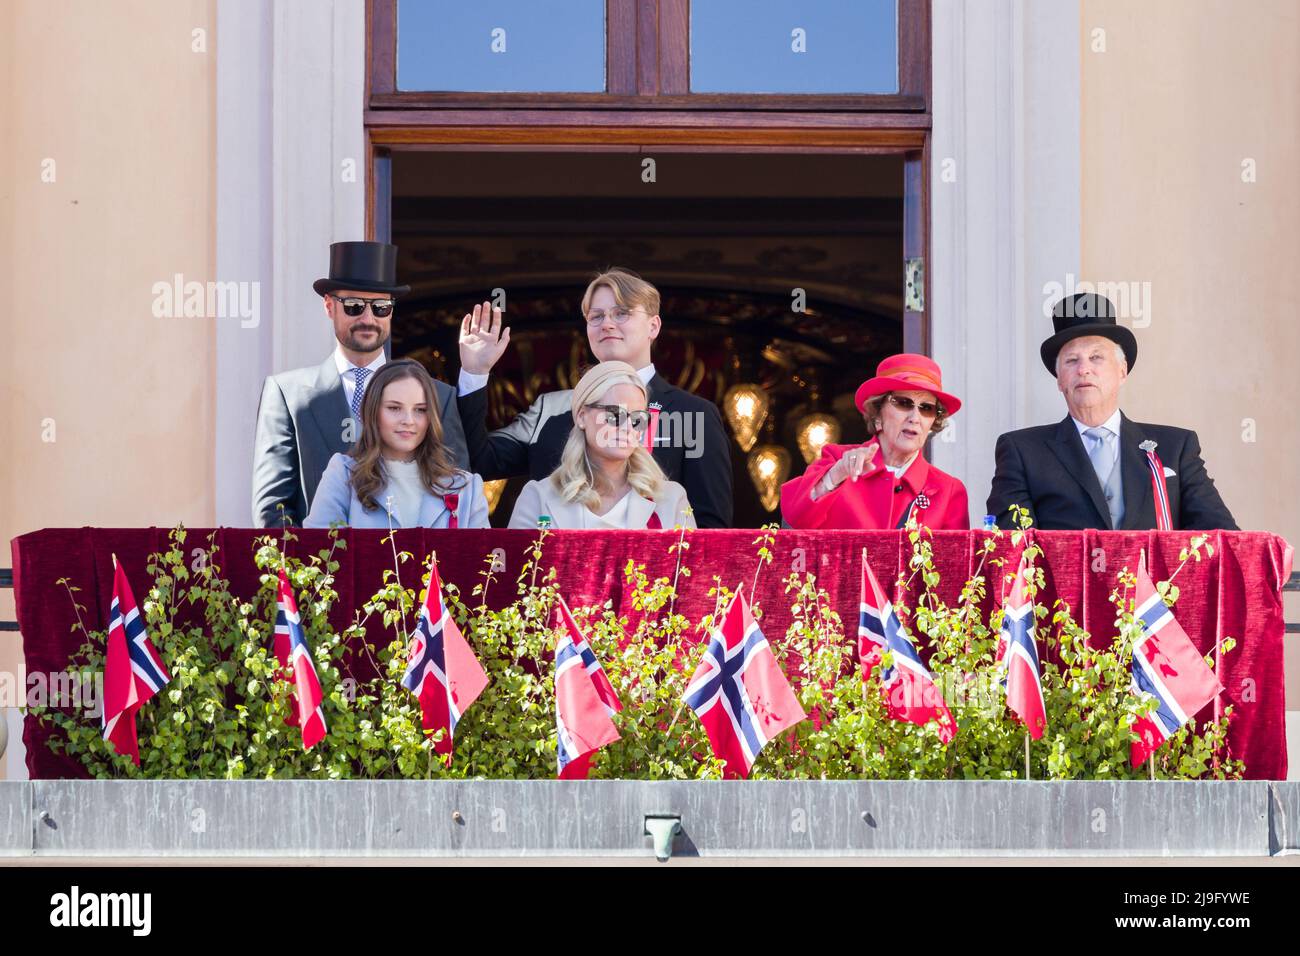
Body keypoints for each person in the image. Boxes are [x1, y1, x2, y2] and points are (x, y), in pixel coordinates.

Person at [457, 267, 733, 527]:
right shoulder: (550, 408)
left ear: (654, 326)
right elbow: (477, 462)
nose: (607, 324)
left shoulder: (694, 415)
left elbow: (711, 532)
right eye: (596, 316)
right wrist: (475, 372)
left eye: (621, 313)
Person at [252, 241, 469, 527]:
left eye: (380, 307)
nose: (368, 319)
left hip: (412, 566)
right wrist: (306, 570)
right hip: (319, 566)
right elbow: (273, 511)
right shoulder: (287, 395)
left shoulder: (439, 397)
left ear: (391, 311)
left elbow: (456, 502)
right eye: (354, 306)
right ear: (329, 306)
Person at [987, 293, 1237, 531]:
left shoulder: (1176, 447)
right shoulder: (1022, 451)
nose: (1084, 369)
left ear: (1122, 371)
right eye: (1071, 361)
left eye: (1096, 357)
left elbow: (1224, 537)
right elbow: (1012, 551)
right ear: (1059, 379)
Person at [780, 354, 969, 530]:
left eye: (926, 408)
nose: (915, 417)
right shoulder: (836, 460)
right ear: (878, 413)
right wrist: (837, 474)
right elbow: (797, 520)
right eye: (903, 403)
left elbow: (957, 564)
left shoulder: (948, 491)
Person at [508, 361, 694, 530]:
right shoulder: (538, 497)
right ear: (582, 416)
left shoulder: (671, 498)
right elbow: (517, 566)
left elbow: (693, 567)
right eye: (615, 414)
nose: (627, 427)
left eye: (638, 418)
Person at [305, 360, 487, 529]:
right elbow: (319, 553)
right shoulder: (343, 474)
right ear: (372, 412)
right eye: (394, 408)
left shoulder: (467, 488)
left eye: (420, 410)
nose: (408, 420)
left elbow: (483, 561)